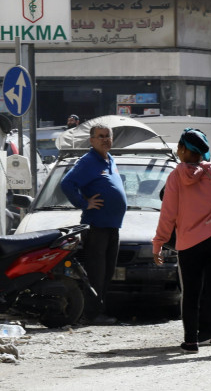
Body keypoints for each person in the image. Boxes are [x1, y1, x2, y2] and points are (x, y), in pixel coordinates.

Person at [153, 128, 211, 356]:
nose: (177, 151)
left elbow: (168, 215)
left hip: (189, 245)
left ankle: (191, 342)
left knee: (192, 294)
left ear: (185, 150)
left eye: (179, 147)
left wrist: (158, 243)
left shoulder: (175, 177)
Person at [59, 123, 126, 324]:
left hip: (112, 225)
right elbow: (67, 183)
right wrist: (84, 203)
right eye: (101, 136)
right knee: (96, 273)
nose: (105, 139)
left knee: (107, 272)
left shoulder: (109, 159)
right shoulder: (88, 161)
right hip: (96, 226)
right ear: (92, 140)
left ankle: (100, 310)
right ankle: (92, 314)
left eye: (108, 136)